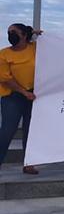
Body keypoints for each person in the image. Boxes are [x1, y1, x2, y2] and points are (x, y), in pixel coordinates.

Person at [0, 24, 40, 174]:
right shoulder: (3, 54)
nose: (11, 35)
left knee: (30, 131)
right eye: (9, 32)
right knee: (7, 131)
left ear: (24, 35)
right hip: (13, 96)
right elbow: (5, 78)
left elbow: (53, 46)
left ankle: (28, 163)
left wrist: (41, 34)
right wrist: (23, 92)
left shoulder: (35, 48)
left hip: (34, 95)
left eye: (14, 32)